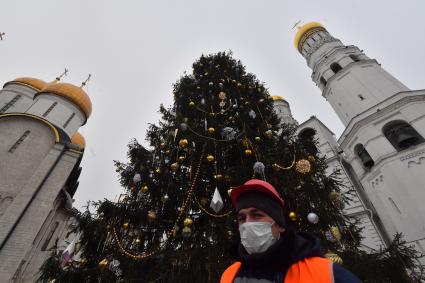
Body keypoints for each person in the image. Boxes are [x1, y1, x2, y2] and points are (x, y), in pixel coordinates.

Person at [221, 179, 362, 283]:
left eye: (257, 215)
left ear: (280, 225)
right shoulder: (229, 275)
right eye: (241, 218)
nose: (248, 223)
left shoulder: (324, 273)